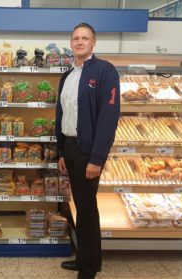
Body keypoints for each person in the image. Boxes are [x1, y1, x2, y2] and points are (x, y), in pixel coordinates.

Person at [55, 23, 120, 279]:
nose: (79, 42)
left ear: (94, 42)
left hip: (87, 151)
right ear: (71, 43)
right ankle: (84, 258)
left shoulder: (104, 71)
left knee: (87, 208)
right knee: (80, 205)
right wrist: (61, 150)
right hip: (70, 148)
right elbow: (62, 114)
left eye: (85, 38)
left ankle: (89, 267)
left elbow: (108, 116)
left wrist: (97, 158)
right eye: (75, 38)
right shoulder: (67, 75)